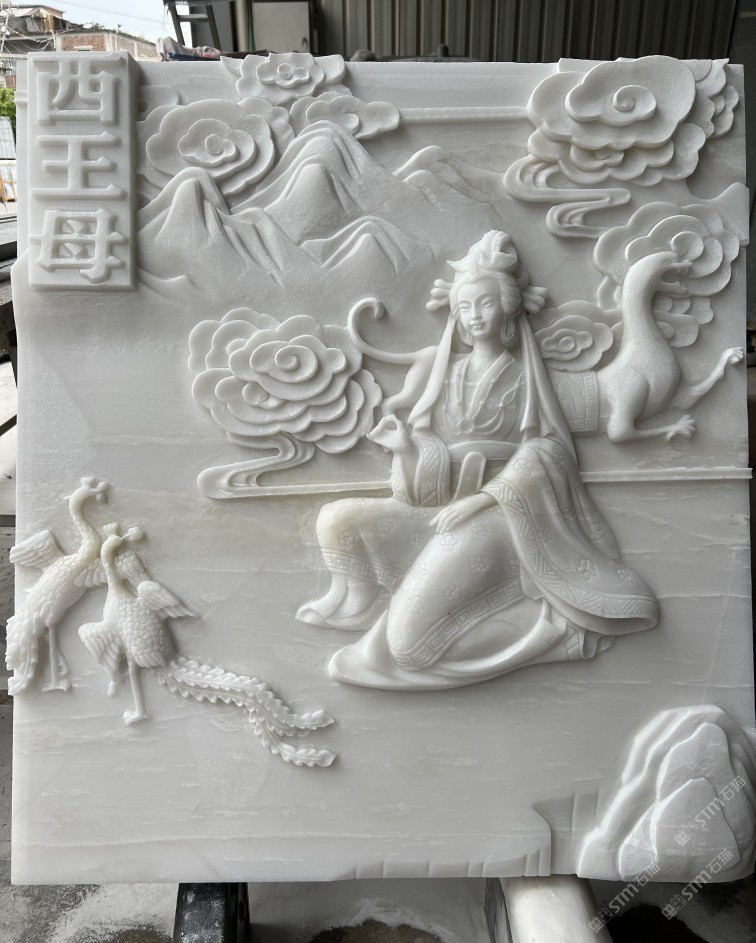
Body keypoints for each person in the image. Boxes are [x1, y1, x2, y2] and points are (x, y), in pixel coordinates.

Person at [297, 231, 659, 689]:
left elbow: (548, 451)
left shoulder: (530, 378)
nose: (475, 315)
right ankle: (356, 605)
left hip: (508, 515)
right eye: (465, 306)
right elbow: (421, 489)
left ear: (508, 309)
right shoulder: (445, 376)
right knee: (338, 517)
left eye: (486, 304)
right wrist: (405, 449)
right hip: (446, 508)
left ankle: (553, 634)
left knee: (408, 649)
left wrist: (484, 499)